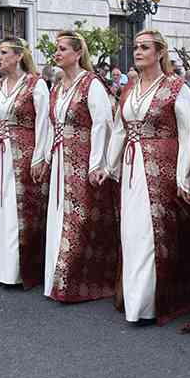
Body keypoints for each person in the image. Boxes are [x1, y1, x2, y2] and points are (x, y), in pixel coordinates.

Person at [104, 29, 190, 324]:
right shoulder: (130, 88)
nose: (138, 52)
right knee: (131, 232)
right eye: (136, 47)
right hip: (132, 169)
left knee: (150, 232)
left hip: (161, 168)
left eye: (145, 47)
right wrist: (109, 166)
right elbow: (120, 129)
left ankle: (148, 303)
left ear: (160, 53)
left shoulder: (176, 87)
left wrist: (183, 176)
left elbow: (188, 135)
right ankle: (134, 297)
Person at [43, 30, 118, 302]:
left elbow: (102, 123)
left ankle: (77, 280)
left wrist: (96, 162)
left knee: (79, 217)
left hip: (82, 157)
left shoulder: (91, 83)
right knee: (60, 215)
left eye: (63, 49)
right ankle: (57, 277)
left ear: (77, 53)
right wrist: (47, 156)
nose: (57, 53)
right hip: (61, 157)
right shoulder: (57, 87)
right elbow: (51, 124)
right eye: (57, 48)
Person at [0, 37, 49, 288]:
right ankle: (0, 268)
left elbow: (44, 122)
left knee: (17, 208)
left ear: (19, 56)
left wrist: (39, 156)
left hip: (23, 153)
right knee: (1, 207)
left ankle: (19, 269)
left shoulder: (35, 84)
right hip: (1, 153)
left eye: (4, 52)